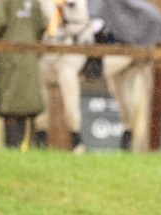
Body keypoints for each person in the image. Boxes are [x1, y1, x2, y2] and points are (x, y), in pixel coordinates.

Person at [87, 0, 161, 152]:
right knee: (122, 96)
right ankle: (129, 133)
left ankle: (133, 137)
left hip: (129, 51)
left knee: (133, 99)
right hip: (117, 48)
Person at [0, 0, 48, 149]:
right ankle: (31, 147)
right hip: (29, 59)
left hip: (8, 58)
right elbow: (42, 24)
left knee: (11, 109)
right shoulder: (34, 2)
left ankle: (12, 148)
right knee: (26, 107)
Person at [36, 0, 95, 151]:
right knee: (39, 93)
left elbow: (81, 17)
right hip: (44, 50)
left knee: (69, 81)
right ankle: (40, 139)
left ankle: (76, 138)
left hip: (68, 49)